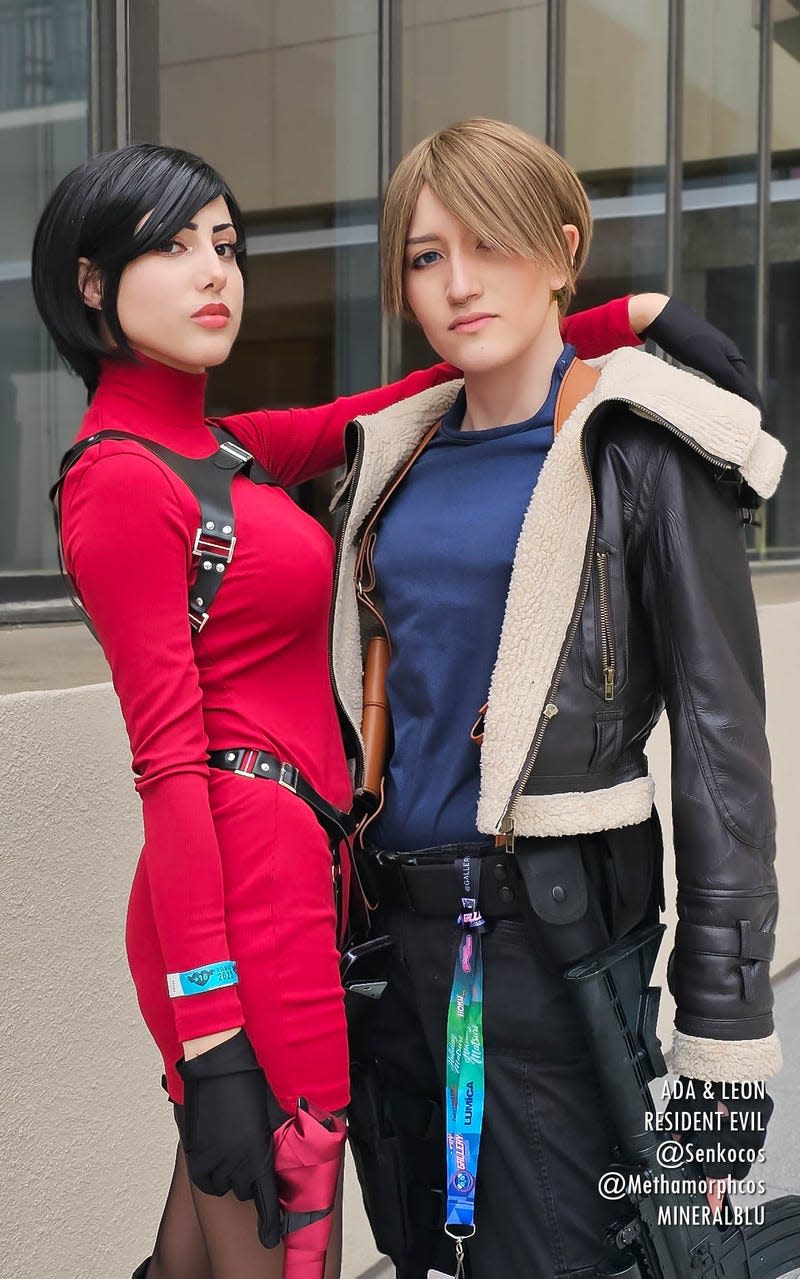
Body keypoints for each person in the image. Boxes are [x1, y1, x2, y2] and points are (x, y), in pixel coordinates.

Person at [30, 141, 671, 1279]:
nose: (212, 272)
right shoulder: (120, 477)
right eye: (172, 247)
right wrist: (213, 1034)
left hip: (295, 872)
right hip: (237, 895)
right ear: (90, 282)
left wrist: (619, 317)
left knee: (202, 1251)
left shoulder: (223, 447)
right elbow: (167, 769)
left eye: (223, 245)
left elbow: (403, 398)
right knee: (288, 1252)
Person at [328, 119, 785, 1279]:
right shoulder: (393, 462)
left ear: (560, 252)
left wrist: (722, 1045)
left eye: (489, 243)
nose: (458, 281)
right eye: (425, 256)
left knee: (571, 1254)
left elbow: (722, 754)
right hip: (395, 936)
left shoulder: (635, 447)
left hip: (555, 937)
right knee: (430, 1248)